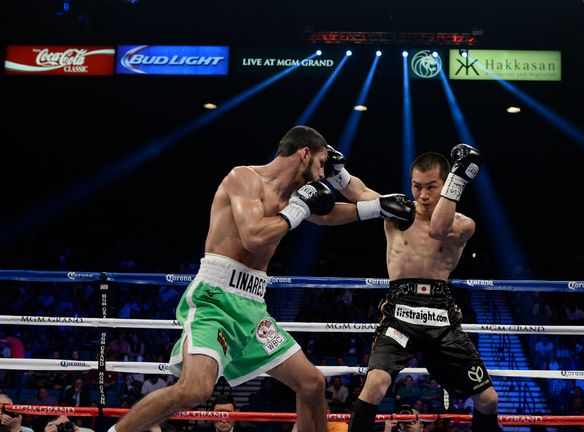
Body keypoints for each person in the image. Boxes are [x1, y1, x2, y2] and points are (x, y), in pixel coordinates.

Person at [108, 125, 415, 432]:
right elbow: (254, 236)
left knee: (311, 384)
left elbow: (327, 213)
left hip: (253, 308)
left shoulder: (292, 196)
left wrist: (377, 207)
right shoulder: (243, 178)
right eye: (321, 164)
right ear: (304, 154)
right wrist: (298, 208)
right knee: (195, 389)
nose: (323, 176)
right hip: (215, 299)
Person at [327, 144, 501, 431]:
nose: (422, 195)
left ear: (446, 184)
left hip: (442, 316)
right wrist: (337, 173)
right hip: (400, 311)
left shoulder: (465, 224)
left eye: (431, 187)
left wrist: (458, 179)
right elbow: (359, 192)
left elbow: (438, 230)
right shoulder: (397, 211)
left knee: (488, 400)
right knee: (375, 384)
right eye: (417, 186)